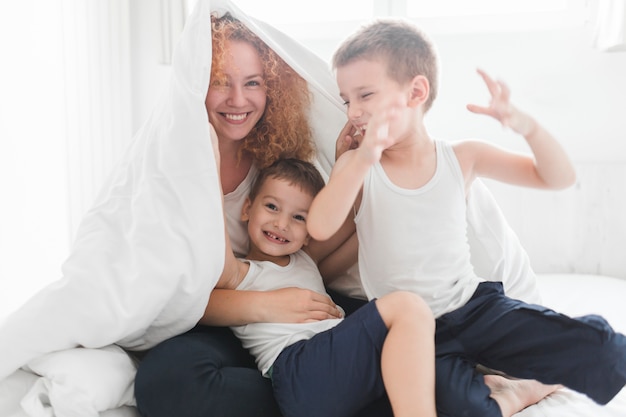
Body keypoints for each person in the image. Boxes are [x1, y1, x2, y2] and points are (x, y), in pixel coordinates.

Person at [307, 18, 626, 417]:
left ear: (416, 92)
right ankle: (517, 393)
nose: (353, 111)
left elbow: (558, 177)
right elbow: (320, 225)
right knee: (463, 409)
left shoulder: (462, 157)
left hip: (477, 310)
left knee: (607, 350)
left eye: (365, 95)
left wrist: (525, 126)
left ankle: (535, 376)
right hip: (418, 336)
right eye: (346, 100)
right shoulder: (357, 165)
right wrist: (361, 159)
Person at [214, 157, 436, 417]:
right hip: (301, 370)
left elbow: (357, 215)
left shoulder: (307, 259)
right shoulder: (239, 275)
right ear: (247, 208)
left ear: (310, 230)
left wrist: (348, 159)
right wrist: (214, 157)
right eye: (272, 207)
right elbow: (214, 232)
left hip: (335, 376)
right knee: (407, 307)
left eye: (298, 217)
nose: (282, 224)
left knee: (425, 366)